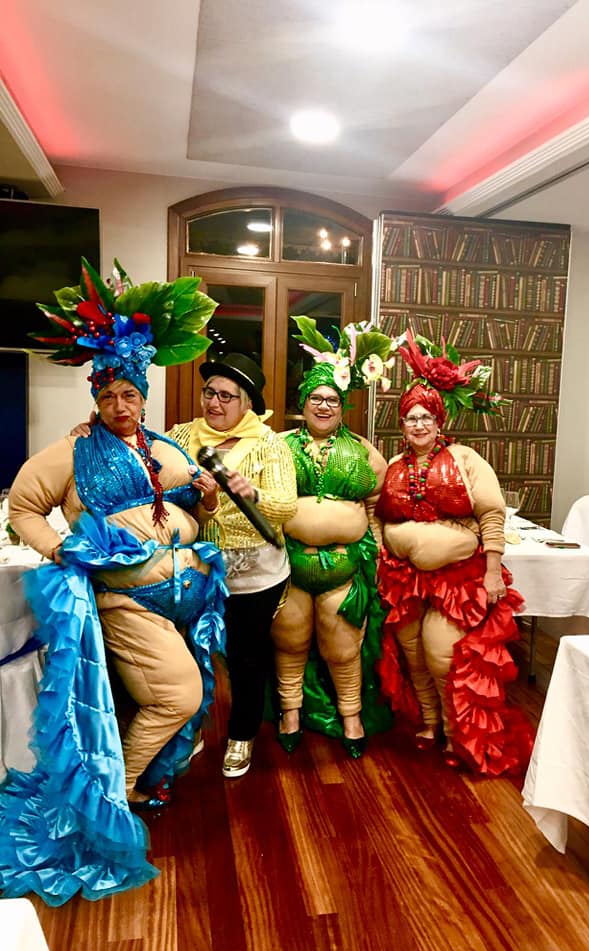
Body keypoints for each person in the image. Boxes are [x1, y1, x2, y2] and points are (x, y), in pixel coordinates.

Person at [0, 258, 226, 905]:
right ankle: (111, 800)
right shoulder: (73, 450)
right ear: (95, 400)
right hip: (125, 600)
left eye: (129, 395)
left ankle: (144, 780)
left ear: (143, 396)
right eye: (108, 397)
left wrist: (207, 498)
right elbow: (22, 507)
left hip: (183, 600)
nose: (120, 406)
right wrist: (62, 549)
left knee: (170, 699)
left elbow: (193, 501)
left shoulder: (165, 447)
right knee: (179, 694)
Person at [375, 329, 534, 775]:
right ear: (401, 424)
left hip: (457, 580)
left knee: (441, 654)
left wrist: (492, 571)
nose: (419, 425)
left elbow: (492, 513)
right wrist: (382, 555)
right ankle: (428, 723)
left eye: (426, 417)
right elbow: (377, 515)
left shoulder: (466, 459)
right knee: (413, 656)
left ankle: (454, 730)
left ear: (439, 421)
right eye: (411, 418)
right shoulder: (394, 466)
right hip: (405, 580)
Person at [270, 317, 396, 757]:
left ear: (342, 407)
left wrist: (378, 552)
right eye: (316, 398)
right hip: (289, 566)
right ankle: (290, 712)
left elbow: (378, 504)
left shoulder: (363, 450)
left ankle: (351, 716)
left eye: (332, 400)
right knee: (289, 641)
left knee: (343, 648)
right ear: (303, 402)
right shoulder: (278, 445)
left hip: (344, 567)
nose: (323, 406)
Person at [167, 353, 297, 778]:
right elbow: (141, 459)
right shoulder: (180, 435)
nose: (215, 403)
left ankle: (242, 735)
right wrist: (91, 428)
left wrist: (251, 492)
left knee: (245, 657)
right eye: (209, 392)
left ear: (247, 403)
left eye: (227, 396)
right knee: (189, 654)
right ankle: (189, 731)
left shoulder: (269, 444)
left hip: (254, 573)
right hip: (196, 568)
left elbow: (286, 508)